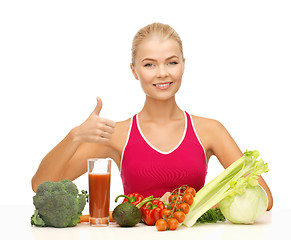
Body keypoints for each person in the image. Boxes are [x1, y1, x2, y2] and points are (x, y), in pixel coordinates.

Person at [31, 23, 273, 210]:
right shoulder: (116, 134)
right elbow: (41, 185)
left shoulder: (210, 130)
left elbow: (264, 197)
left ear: (183, 65)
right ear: (134, 71)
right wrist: (74, 136)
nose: (162, 73)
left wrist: (190, 205)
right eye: (149, 65)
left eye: (172, 62)